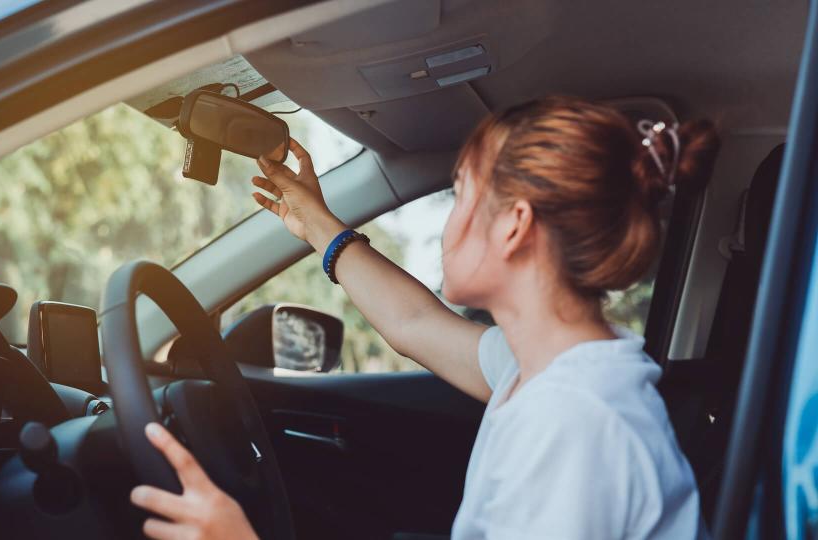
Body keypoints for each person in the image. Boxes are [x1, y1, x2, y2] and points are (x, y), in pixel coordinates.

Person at [129, 95, 719, 539]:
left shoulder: (576, 426)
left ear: (514, 225)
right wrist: (313, 221)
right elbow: (413, 324)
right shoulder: (543, 368)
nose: (449, 220)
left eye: (460, 194)